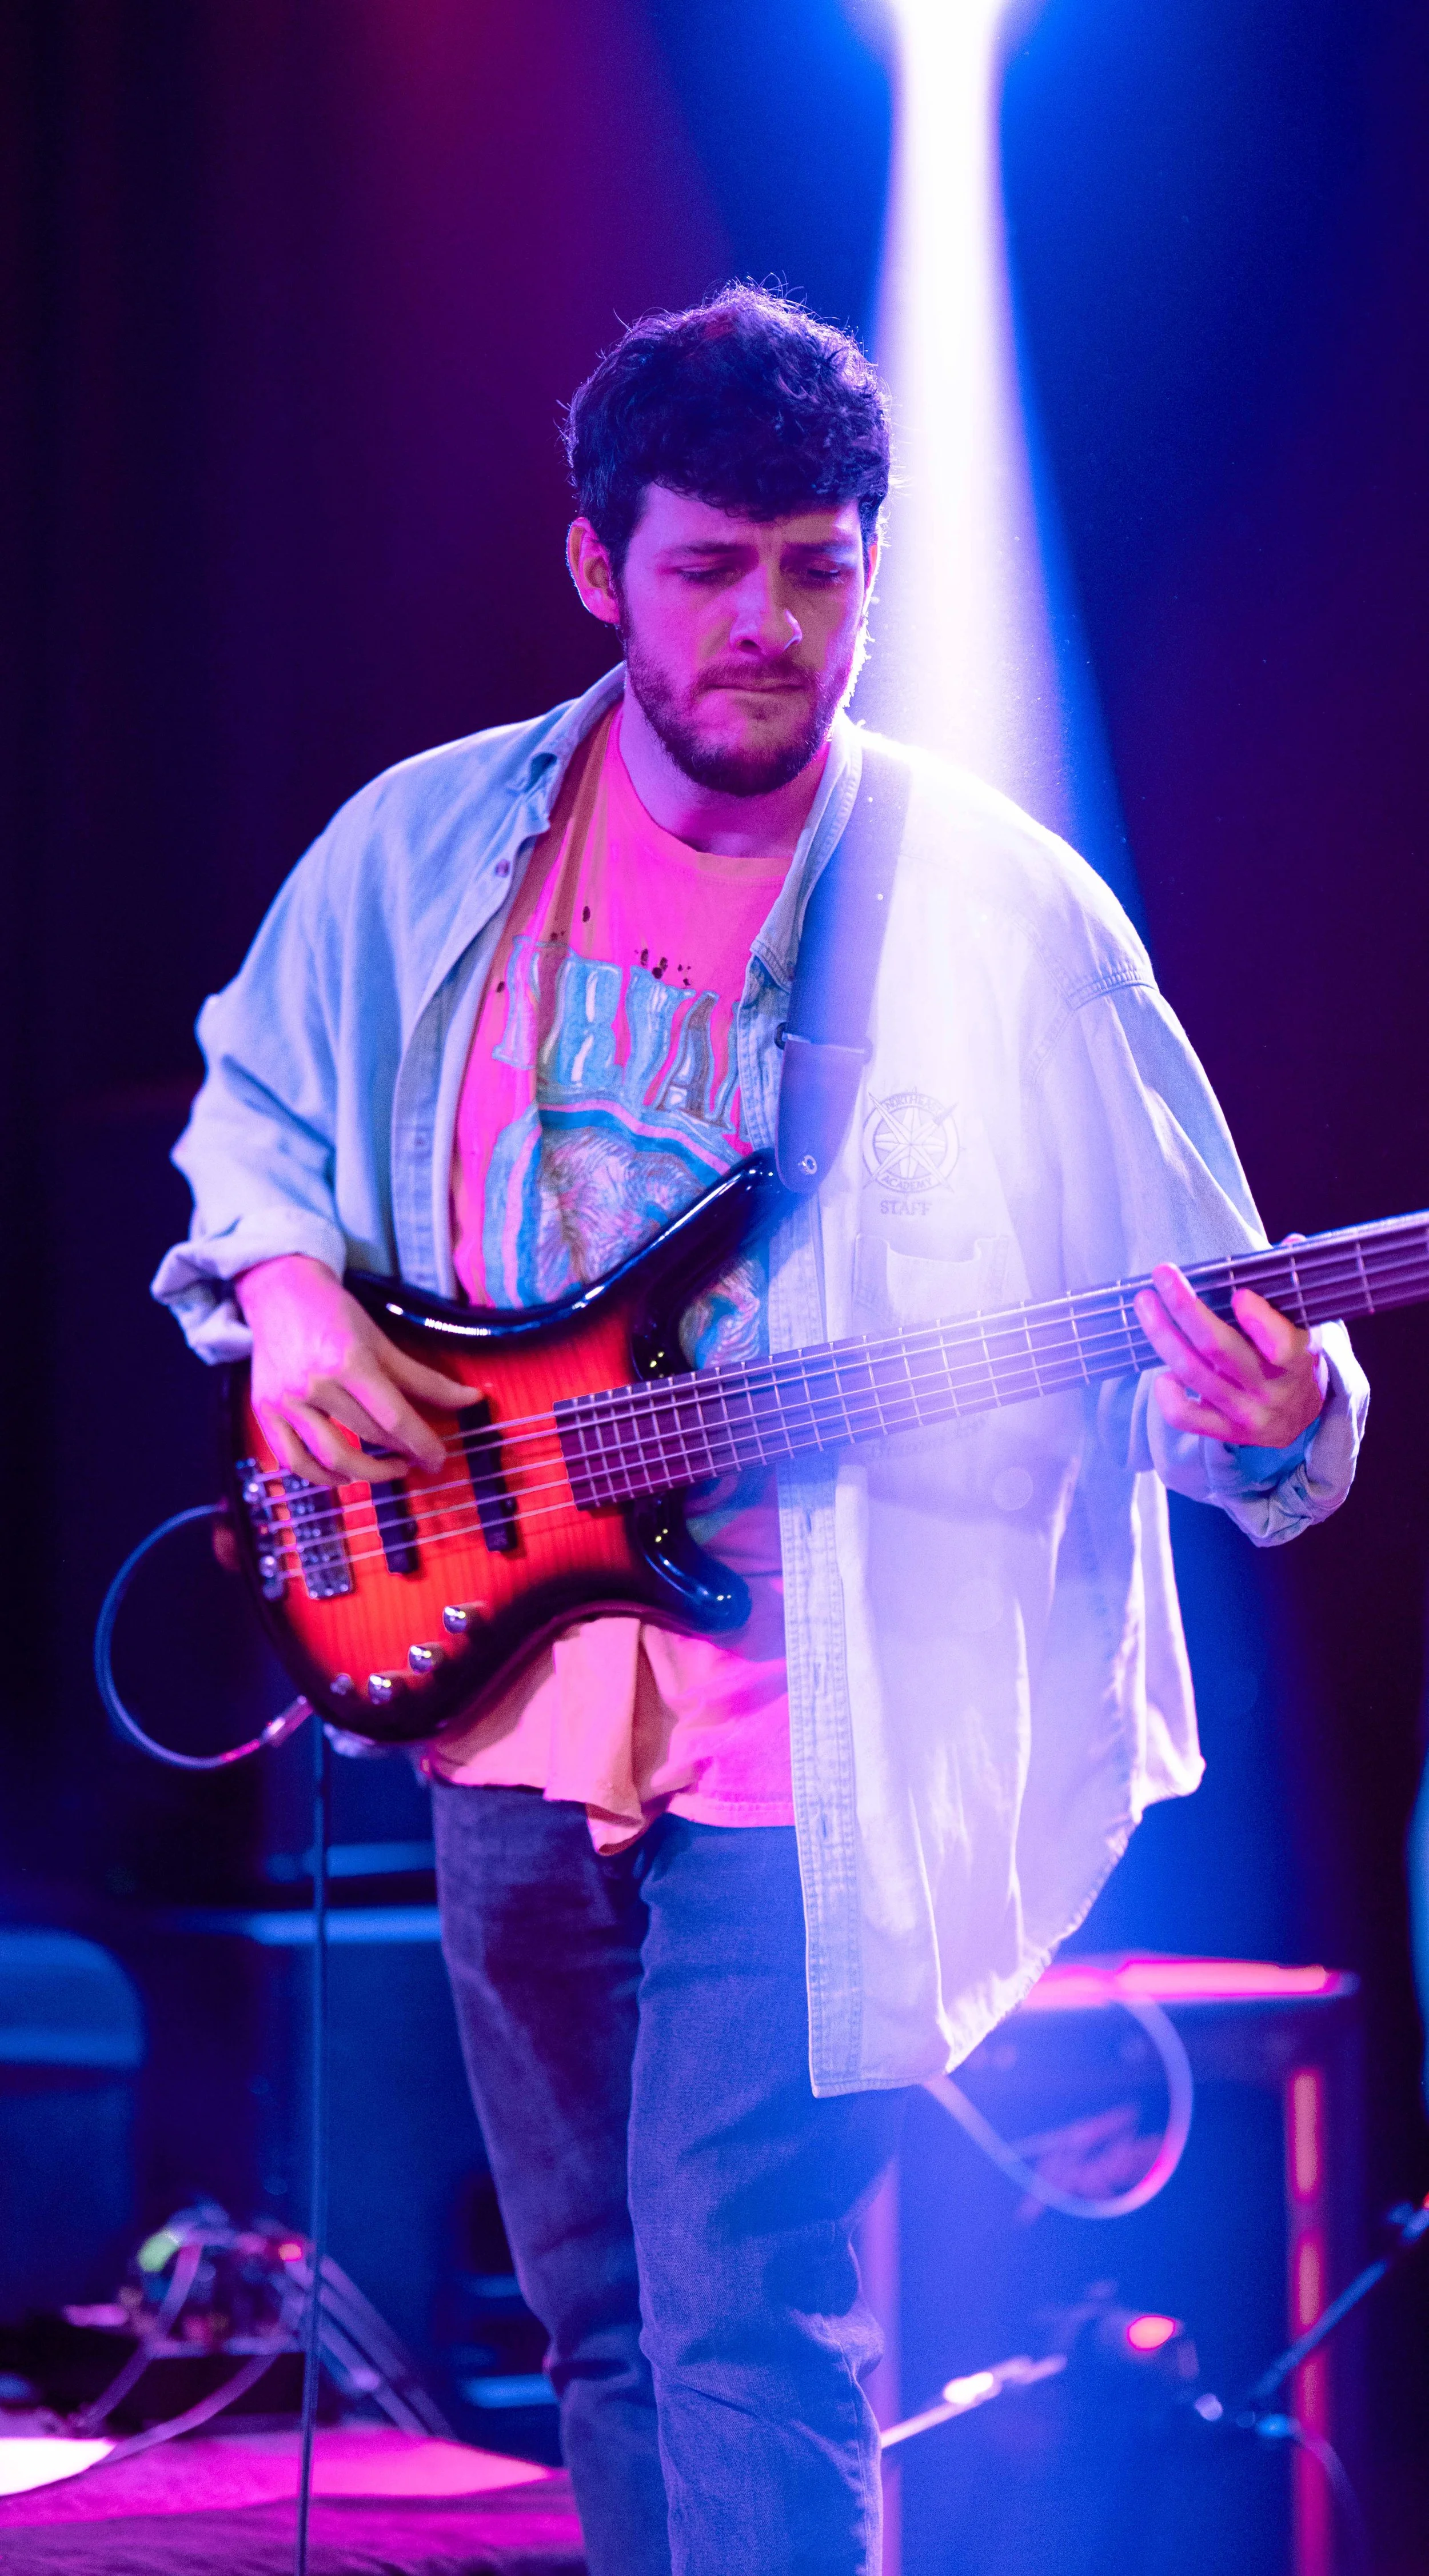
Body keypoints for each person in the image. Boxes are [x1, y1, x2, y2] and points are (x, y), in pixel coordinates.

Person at [153, 286, 1368, 2576]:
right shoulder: (425, 855)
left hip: (814, 1741)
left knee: (741, 2316)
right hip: (502, 1682)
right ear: (598, 565)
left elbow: (1250, 1358)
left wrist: (1288, 1399)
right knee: (597, 2316)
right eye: (711, 569)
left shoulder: (1000, 920)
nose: (771, 627)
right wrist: (295, 1294)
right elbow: (255, 1116)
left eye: (821, 567)